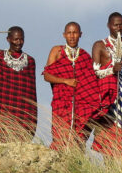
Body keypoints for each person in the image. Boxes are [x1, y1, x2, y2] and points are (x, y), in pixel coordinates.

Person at [43, 22, 105, 150]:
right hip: (61, 102)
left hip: (79, 106)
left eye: (75, 33)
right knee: (60, 134)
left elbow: (91, 84)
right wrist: (66, 81)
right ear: (64, 35)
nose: (72, 36)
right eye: (69, 33)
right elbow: (47, 76)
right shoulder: (57, 51)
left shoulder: (84, 56)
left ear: (80, 35)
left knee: (78, 140)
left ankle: (75, 164)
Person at [91, 12, 122, 158]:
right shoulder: (100, 45)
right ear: (108, 25)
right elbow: (95, 72)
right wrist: (111, 70)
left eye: (121, 24)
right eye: (115, 24)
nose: (119, 28)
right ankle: (110, 172)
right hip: (109, 99)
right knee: (108, 137)